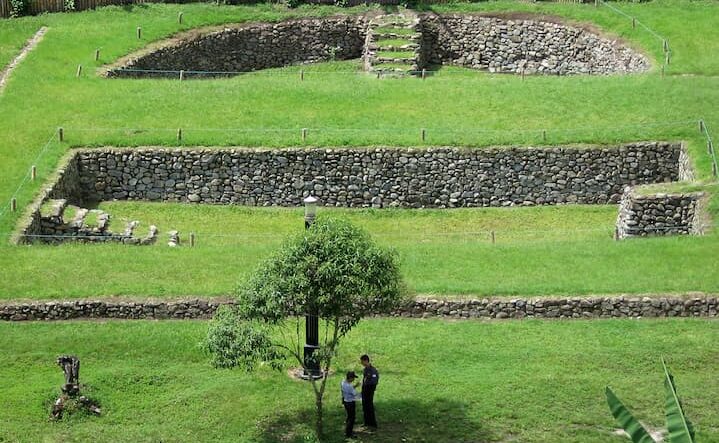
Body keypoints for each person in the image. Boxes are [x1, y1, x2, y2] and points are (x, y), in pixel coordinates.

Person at [360, 354, 379, 429]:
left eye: (362, 361)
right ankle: (366, 422)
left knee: (370, 406)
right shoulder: (365, 370)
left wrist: (367, 385)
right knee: (365, 407)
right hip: (364, 391)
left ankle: (373, 423)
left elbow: (374, 381)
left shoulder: (373, 370)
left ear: (366, 361)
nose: (361, 363)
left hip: (369, 391)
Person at [341, 371, 361, 439]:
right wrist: (363, 394)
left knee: (349, 417)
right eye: (353, 378)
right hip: (350, 403)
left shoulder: (343, 382)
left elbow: (350, 390)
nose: (354, 380)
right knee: (351, 419)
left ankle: (347, 431)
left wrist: (355, 386)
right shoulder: (349, 386)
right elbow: (356, 395)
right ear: (350, 378)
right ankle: (349, 433)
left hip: (346, 401)